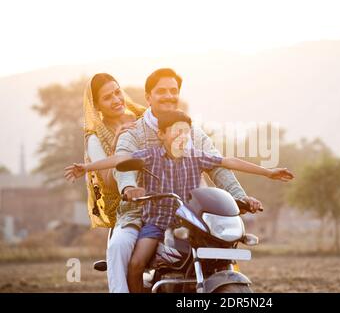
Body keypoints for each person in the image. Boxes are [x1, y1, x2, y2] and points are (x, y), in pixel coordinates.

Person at [65, 110, 294, 293]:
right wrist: (86, 167)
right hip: (157, 221)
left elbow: (228, 161)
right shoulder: (151, 155)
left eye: (186, 132)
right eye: (176, 132)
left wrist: (267, 172)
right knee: (136, 264)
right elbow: (121, 158)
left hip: (189, 223)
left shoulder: (195, 157)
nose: (182, 136)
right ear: (163, 134)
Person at [104, 68, 263, 292]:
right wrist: (129, 186)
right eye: (161, 91)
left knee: (220, 243)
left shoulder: (193, 133)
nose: (169, 95)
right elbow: (123, 165)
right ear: (148, 97)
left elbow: (218, 165)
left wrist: (239, 196)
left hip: (190, 212)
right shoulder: (134, 133)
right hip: (142, 212)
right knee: (119, 246)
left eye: (173, 90)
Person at [75, 73, 145, 228]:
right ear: (97, 106)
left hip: (162, 195)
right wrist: (116, 145)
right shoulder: (95, 138)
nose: (116, 100)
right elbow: (107, 181)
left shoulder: (143, 118)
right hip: (127, 208)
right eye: (107, 98)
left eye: (117, 92)